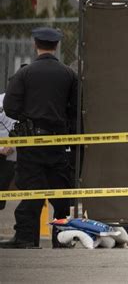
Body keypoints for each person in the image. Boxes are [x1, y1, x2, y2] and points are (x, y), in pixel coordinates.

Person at [0, 27, 78, 249]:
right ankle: (61, 239)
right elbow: (75, 108)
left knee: (31, 192)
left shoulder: (24, 74)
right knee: (60, 194)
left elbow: (10, 107)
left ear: (36, 45)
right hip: (58, 144)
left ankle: (26, 238)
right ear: (56, 46)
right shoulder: (68, 74)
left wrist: (27, 117)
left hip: (32, 143)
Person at [0, 92, 17, 210]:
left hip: (12, 152)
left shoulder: (26, 102)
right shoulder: (1, 100)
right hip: (3, 148)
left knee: (4, 181)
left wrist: (12, 145)